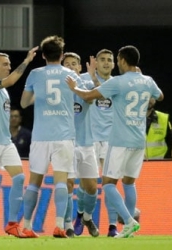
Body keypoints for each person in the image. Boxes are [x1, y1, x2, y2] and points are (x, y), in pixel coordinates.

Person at [66, 45, 164, 238]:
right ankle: (125, 228)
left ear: (122, 61)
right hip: (137, 140)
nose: (113, 63)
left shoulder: (117, 82)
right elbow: (159, 96)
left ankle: (126, 221)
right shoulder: (148, 80)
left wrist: (73, 88)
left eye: (115, 59)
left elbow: (87, 96)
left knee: (108, 184)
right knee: (128, 183)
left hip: (118, 140)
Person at [20, 35, 81, 238]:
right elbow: (84, 100)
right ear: (62, 55)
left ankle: (27, 226)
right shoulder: (71, 75)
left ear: (43, 55)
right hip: (64, 135)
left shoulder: (35, 74)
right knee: (61, 180)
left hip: (40, 136)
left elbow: (24, 103)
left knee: (34, 182)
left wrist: (40, 93)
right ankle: (59, 226)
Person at [0, 47, 38, 238]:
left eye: (9, 64)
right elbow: (12, 79)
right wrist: (26, 61)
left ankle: (12, 224)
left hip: (5, 142)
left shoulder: (3, 90)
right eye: (5, 64)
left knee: (19, 178)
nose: (9, 67)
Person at [78, 49, 120, 237]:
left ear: (114, 64)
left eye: (109, 60)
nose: (105, 63)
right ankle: (81, 215)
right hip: (89, 138)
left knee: (109, 183)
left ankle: (112, 227)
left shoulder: (118, 84)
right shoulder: (84, 79)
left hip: (111, 139)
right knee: (86, 184)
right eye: (102, 59)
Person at [62, 52, 99, 238]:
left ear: (79, 68)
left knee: (92, 187)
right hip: (67, 144)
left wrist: (88, 80)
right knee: (69, 184)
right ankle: (68, 224)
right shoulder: (58, 89)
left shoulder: (85, 85)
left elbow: (91, 98)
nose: (70, 67)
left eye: (73, 64)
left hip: (86, 143)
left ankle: (86, 217)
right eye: (66, 64)